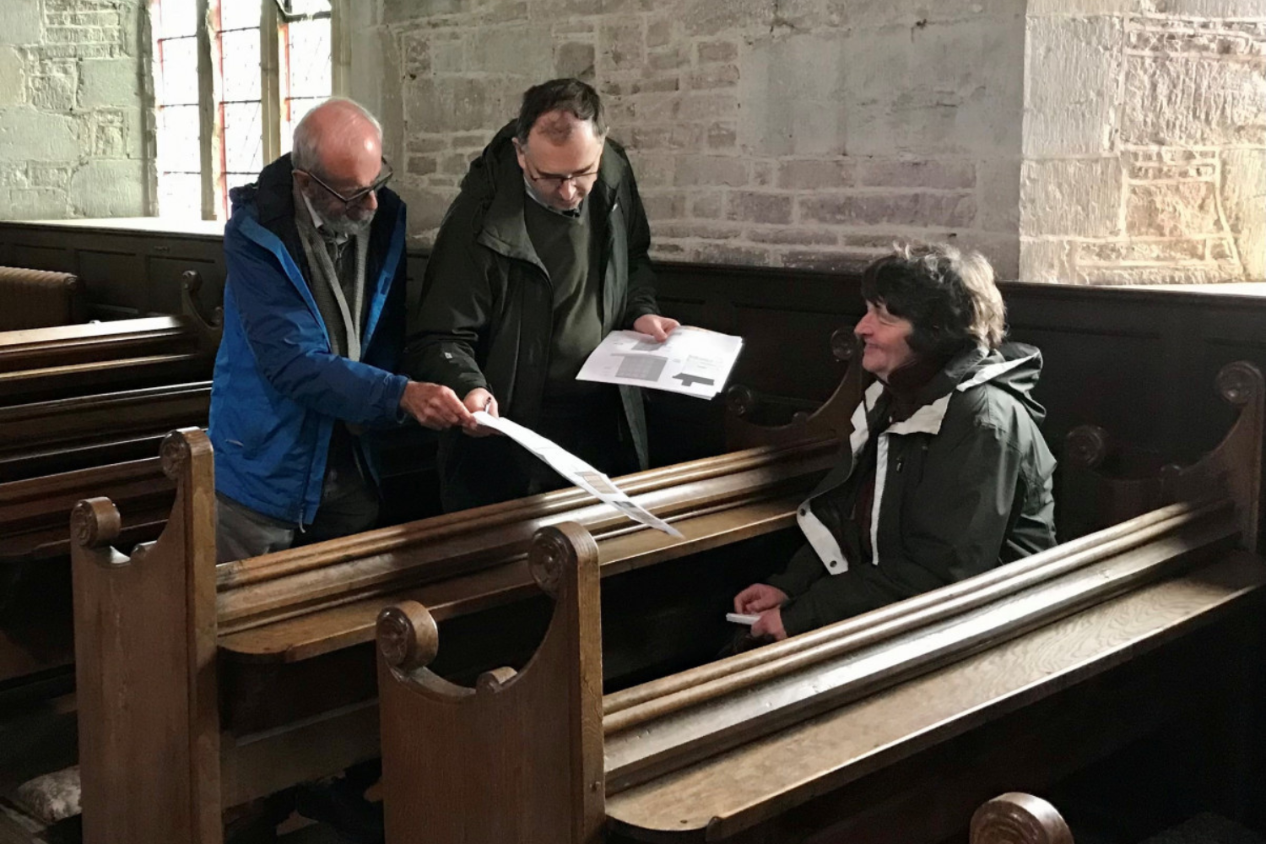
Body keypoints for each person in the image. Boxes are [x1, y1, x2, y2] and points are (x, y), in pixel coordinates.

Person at [734, 244, 1058, 640]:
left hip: (984, 629)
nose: (861, 328)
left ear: (933, 333)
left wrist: (806, 617)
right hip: (898, 611)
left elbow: (940, 574)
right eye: (868, 309)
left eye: (883, 317)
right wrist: (791, 587)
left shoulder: (981, 420)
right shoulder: (894, 395)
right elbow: (847, 513)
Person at [210, 98, 476, 564]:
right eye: (353, 194)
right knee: (243, 616)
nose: (371, 203)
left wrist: (459, 385)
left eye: (378, 182)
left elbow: (387, 333)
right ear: (305, 183)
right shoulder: (254, 235)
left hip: (351, 457)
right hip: (267, 459)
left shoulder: (385, 214)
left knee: (342, 605)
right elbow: (291, 362)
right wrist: (400, 395)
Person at [404, 78, 679, 512]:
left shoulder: (613, 175)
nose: (569, 192)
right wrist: (469, 386)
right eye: (549, 177)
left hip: (607, 421)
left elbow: (635, 258)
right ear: (520, 153)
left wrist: (641, 310)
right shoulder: (479, 219)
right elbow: (440, 336)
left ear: (602, 146)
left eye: (581, 174)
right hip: (513, 440)